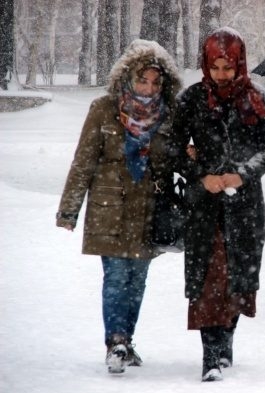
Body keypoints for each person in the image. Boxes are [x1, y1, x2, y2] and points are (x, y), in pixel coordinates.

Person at [55, 39, 182, 373]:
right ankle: (116, 342)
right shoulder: (103, 108)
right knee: (115, 277)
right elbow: (83, 162)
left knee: (137, 282)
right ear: (127, 77)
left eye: (155, 81)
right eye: (143, 79)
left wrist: (188, 157)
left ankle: (127, 340)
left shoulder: (168, 116)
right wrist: (69, 210)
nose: (149, 87)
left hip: (149, 210)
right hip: (109, 206)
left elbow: (172, 161)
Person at [170, 27, 265, 382]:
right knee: (208, 279)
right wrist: (201, 175)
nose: (221, 75)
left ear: (238, 64)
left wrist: (241, 175)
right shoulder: (192, 99)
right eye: (215, 67)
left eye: (227, 68)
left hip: (245, 207)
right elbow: (172, 148)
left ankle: (226, 339)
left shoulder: (257, 99)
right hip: (204, 207)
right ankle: (211, 355)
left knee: (238, 278)